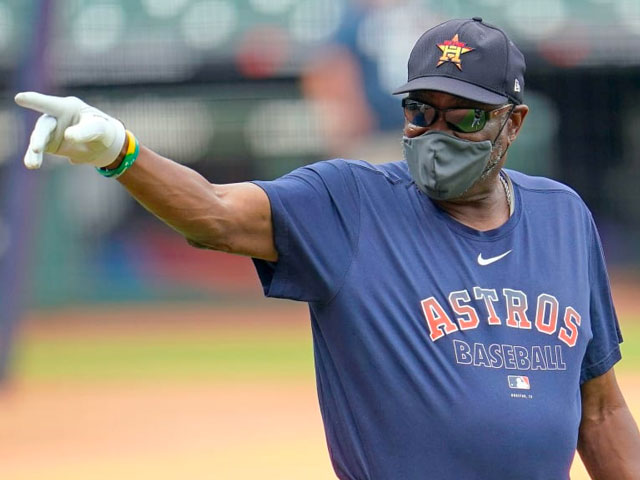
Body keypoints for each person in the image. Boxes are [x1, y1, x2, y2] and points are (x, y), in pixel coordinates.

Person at [15, 17, 640, 480]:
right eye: (422, 110)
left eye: (465, 117)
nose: (437, 132)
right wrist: (119, 152)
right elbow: (214, 214)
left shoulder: (562, 216)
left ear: (515, 123)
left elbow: (603, 411)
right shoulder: (349, 202)